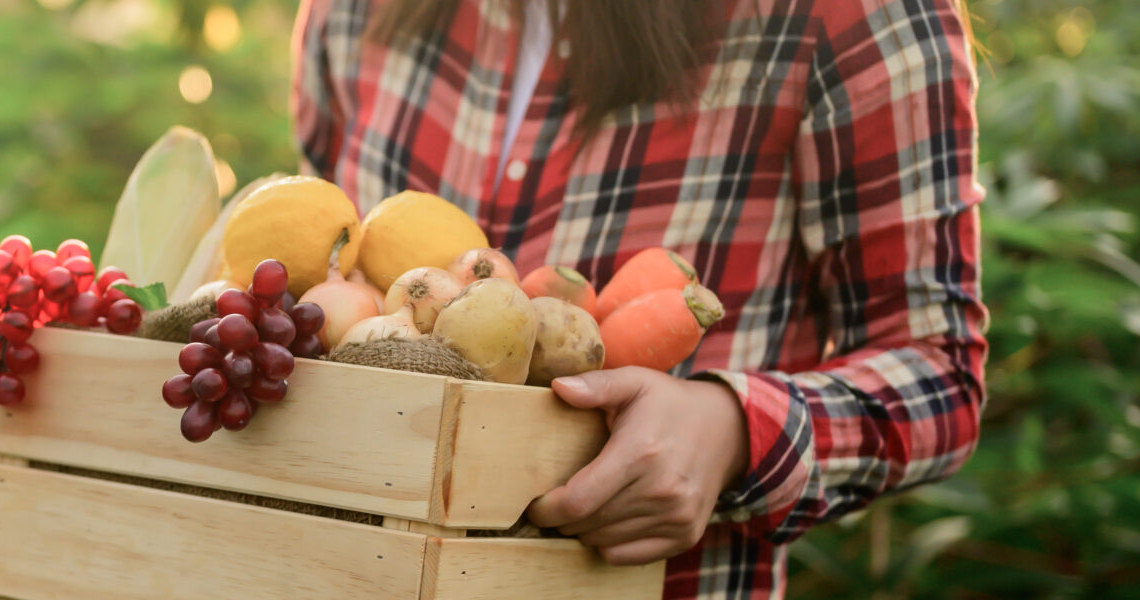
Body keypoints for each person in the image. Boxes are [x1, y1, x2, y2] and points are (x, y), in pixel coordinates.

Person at [291, 0, 988, 597]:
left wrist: (732, 430)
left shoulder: (849, 16)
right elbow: (325, 283)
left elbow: (939, 369)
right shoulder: (350, 11)